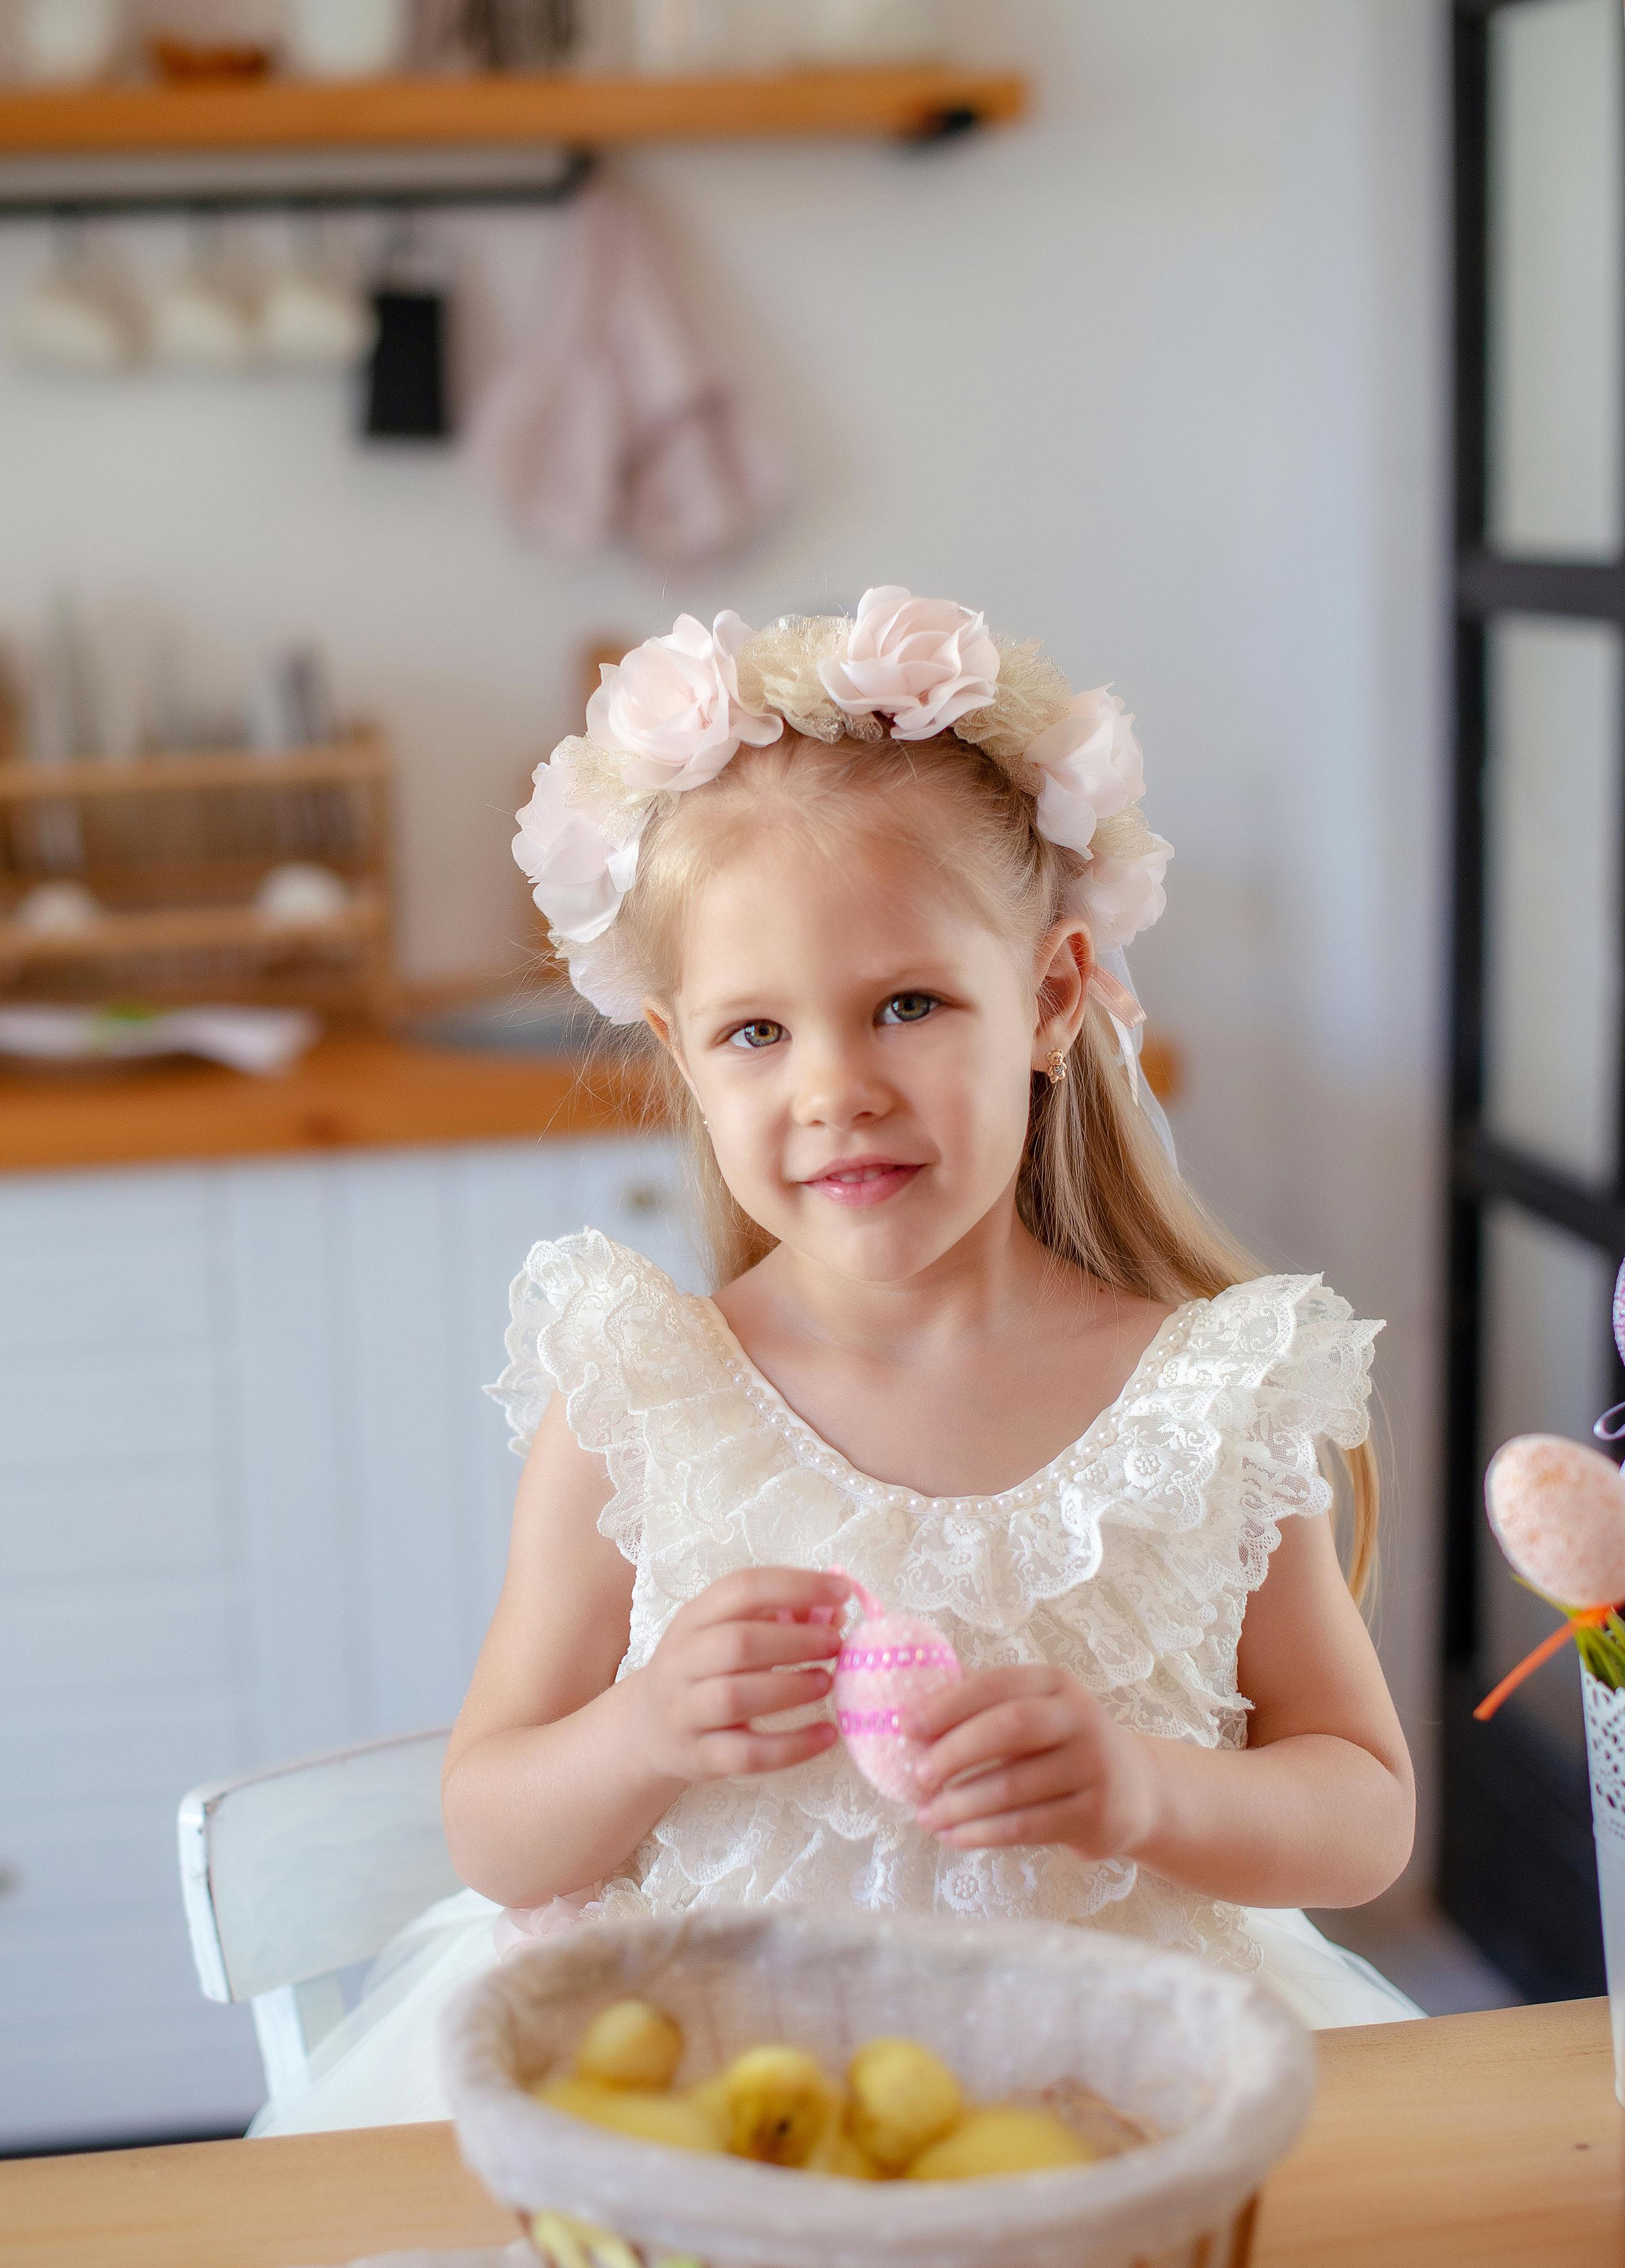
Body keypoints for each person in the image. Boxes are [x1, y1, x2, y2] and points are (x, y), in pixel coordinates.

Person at [250, 587, 1418, 2137]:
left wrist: (1146, 1792)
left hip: (1107, 2114)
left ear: (1051, 1000)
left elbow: (1360, 1812)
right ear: (678, 1054)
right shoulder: (644, 1401)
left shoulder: (1203, 1404)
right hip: (724, 2118)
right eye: (755, 1035)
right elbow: (493, 1829)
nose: (835, 1091)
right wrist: (648, 1726)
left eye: (908, 1006)